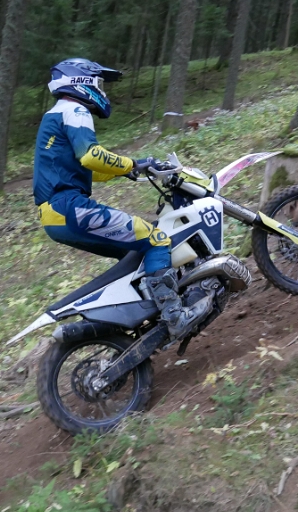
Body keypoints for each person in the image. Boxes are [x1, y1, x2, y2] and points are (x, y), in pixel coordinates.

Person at [33, 58, 207, 340]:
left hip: (55, 214)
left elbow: (88, 170)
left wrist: (133, 168)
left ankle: (143, 316)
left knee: (133, 253)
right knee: (157, 240)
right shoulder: (75, 110)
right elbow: (91, 155)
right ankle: (175, 317)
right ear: (82, 82)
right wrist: (131, 164)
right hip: (70, 207)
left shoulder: (56, 114)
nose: (103, 91)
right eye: (99, 84)